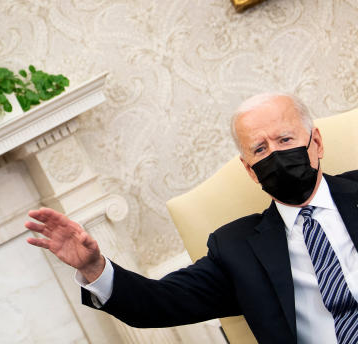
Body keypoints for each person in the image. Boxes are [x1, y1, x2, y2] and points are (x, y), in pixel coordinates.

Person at [25, 93, 358, 343]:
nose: (274, 154)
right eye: (260, 150)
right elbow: (157, 304)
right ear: (250, 170)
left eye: (285, 139)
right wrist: (94, 267)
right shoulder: (237, 249)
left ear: (315, 142)